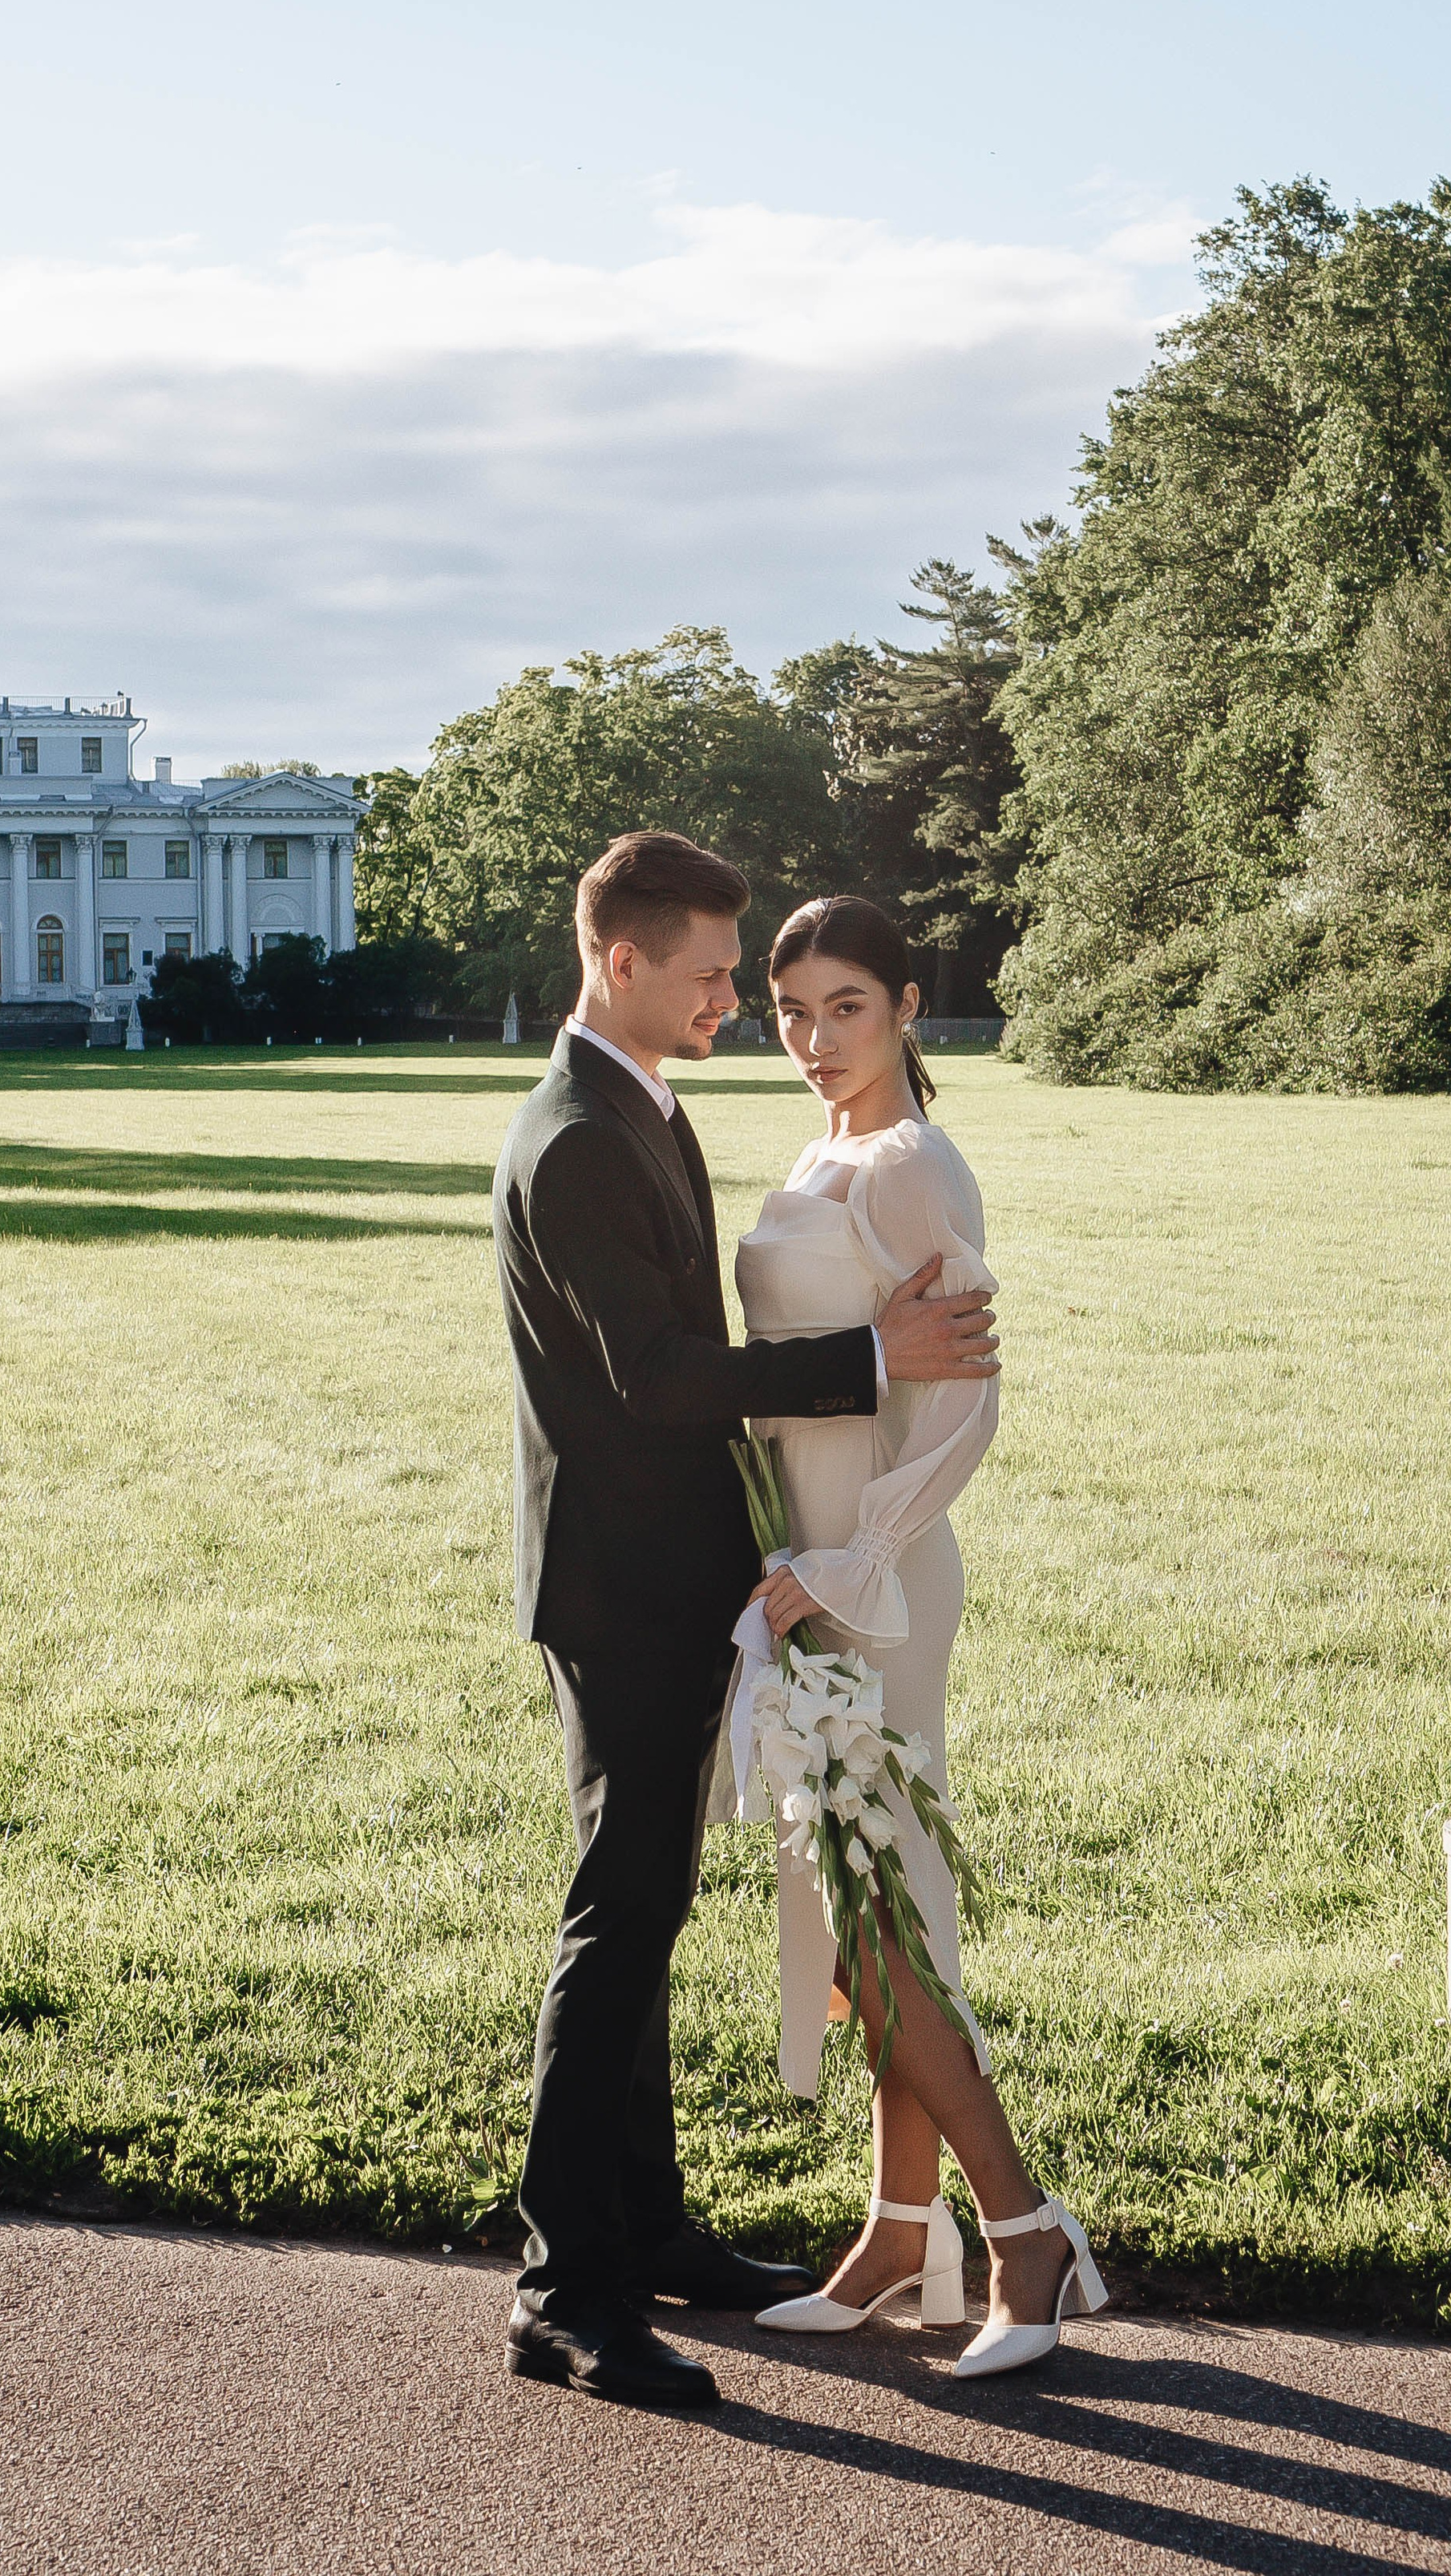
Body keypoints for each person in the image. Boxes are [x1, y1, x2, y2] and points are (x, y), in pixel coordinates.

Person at [491, 833, 1001, 2411]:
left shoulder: (645, 1105)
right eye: (721, 975)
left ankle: (648, 2235)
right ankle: (564, 2292)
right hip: (623, 1591)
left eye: (770, 986)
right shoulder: (576, 1134)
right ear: (622, 961)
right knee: (617, 1922)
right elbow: (650, 1377)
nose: (747, 1005)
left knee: (653, 1917)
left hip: (704, 1578)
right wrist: (862, 1355)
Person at [740, 894, 1106, 2379]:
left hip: (874, 1578)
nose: (816, 1040)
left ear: (905, 1006)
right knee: (850, 1890)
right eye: (790, 1013)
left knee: (887, 1899)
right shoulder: (814, 1154)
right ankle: (905, 2231)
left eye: (845, 1007)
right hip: (792, 1576)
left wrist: (850, 1562)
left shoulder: (910, 1167)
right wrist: (778, 1564)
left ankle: (1027, 2239)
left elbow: (964, 1414)